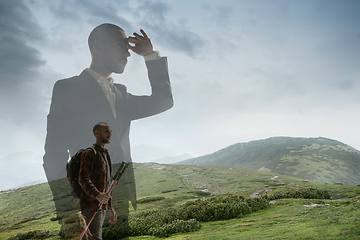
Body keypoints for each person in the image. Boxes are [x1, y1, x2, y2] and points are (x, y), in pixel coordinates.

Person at [43, 23, 173, 237]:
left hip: (119, 198)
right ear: (98, 47)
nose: (128, 53)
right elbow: (54, 153)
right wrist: (67, 211)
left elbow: (164, 101)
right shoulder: (67, 88)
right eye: (120, 45)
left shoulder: (121, 94)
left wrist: (150, 55)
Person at [79, 122, 116, 240]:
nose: (110, 133)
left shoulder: (106, 155)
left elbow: (108, 185)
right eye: (106, 130)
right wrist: (97, 195)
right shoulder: (89, 153)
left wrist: (110, 207)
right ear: (97, 133)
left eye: (110, 131)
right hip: (89, 207)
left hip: (100, 208)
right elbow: (83, 178)